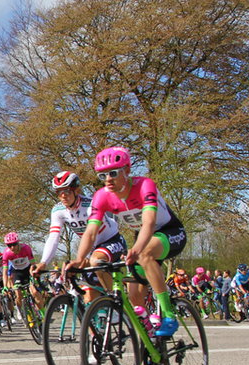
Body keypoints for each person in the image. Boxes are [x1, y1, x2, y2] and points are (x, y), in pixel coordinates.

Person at [74, 146, 186, 344]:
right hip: (143, 237)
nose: (108, 179)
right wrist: (79, 259)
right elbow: (90, 232)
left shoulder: (145, 185)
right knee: (134, 296)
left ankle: (169, 314)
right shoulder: (102, 196)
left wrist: (136, 249)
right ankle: (151, 344)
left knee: (144, 254)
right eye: (102, 175)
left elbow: (150, 223)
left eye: (113, 173)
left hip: (170, 232)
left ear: (127, 171)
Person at [36, 170, 126, 303]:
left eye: (66, 191)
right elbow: (54, 237)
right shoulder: (58, 211)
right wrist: (44, 262)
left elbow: (91, 234)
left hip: (111, 241)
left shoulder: (90, 204)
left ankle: (117, 303)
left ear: (76, 190)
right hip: (92, 249)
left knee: (95, 261)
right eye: (58, 192)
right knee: (88, 299)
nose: (62, 196)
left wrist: (82, 259)